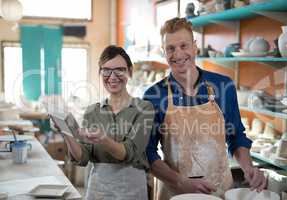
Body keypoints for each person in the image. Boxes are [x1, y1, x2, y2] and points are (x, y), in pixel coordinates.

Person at [143, 17, 267, 199]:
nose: (177, 54)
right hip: (175, 192)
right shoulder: (154, 95)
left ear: (194, 47)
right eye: (170, 48)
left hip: (218, 191)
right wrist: (179, 182)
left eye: (183, 46)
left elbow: (236, 136)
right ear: (164, 52)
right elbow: (147, 153)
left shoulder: (223, 86)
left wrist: (248, 167)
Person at [62, 45, 155, 200]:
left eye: (119, 70)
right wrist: (66, 133)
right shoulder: (92, 111)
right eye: (106, 70)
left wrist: (104, 139)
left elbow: (129, 153)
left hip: (131, 189)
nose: (112, 76)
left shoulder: (144, 109)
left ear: (130, 72)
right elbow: (83, 157)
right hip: (98, 190)